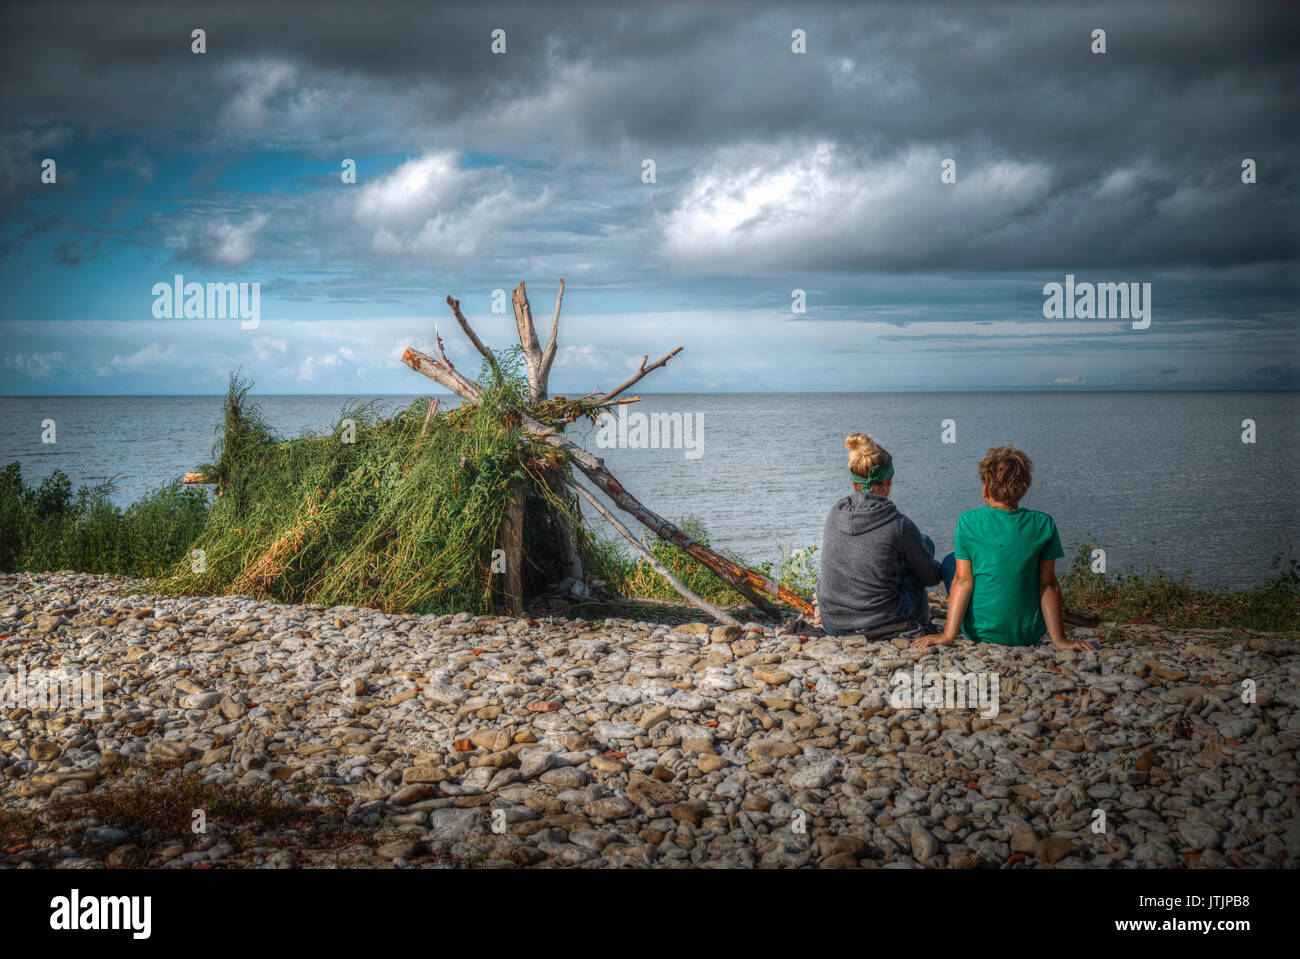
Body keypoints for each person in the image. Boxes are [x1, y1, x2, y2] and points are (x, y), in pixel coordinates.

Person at [912, 445, 1094, 651]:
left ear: (986, 489)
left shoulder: (969, 521)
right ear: (1024, 488)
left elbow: (963, 581)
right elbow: (1049, 586)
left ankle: (961, 623)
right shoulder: (1044, 523)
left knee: (951, 561)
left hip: (978, 631)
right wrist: (1061, 641)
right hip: (1029, 632)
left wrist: (947, 636)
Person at [816, 433, 942, 636]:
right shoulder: (898, 524)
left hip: (833, 623)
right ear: (889, 481)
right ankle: (920, 617)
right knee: (924, 541)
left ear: (854, 484)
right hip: (881, 622)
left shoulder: (834, 513)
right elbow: (931, 578)